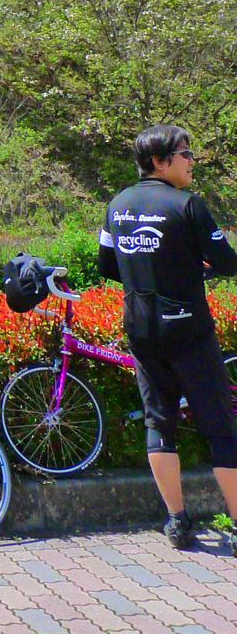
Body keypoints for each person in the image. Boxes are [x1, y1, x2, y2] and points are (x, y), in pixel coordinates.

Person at [98, 124, 237, 549]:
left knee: (160, 423)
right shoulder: (187, 205)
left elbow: (107, 265)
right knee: (222, 429)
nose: (192, 160)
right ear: (161, 162)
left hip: (142, 332)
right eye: (185, 153)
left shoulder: (117, 205)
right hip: (190, 332)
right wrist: (194, 268)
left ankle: (177, 521)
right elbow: (227, 262)